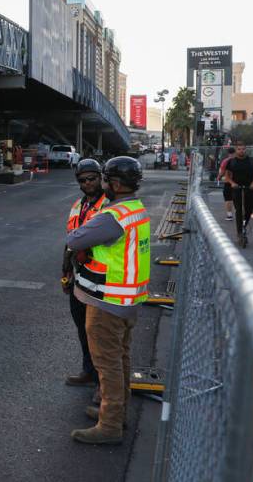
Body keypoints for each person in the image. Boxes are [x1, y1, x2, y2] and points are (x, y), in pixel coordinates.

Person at [67, 156, 150, 445]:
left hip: (107, 302)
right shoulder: (135, 210)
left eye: (102, 179)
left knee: (108, 364)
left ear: (114, 183)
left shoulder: (112, 216)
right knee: (121, 358)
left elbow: (75, 240)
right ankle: (117, 411)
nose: (98, 184)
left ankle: (110, 425)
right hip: (128, 300)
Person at [62, 159, 107, 388]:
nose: (88, 183)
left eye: (92, 178)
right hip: (79, 278)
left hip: (100, 281)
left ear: (100, 177)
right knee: (82, 329)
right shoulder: (77, 206)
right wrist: (65, 272)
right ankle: (88, 371)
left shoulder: (108, 205)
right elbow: (70, 240)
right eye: (83, 180)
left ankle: (103, 384)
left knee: (98, 333)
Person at [224, 141, 253, 246]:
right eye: (239, 149)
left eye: (243, 149)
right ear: (236, 150)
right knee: (239, 210)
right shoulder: (231, 162)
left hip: (249, 188)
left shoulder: (252, 161)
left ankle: (244, 226)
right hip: (237, 189)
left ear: (245, 149)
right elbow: (227, 176)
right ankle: (239, 232)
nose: (241, 151)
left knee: (248, 210)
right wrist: (232, 183)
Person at [218, 147, 235, 221]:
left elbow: (222, 171)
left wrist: (219, 177)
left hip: (228, 182)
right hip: (238, 182)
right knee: (238, 199)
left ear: (228, 153)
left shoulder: (226, 161)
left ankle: (229, 215)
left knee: (228, 199)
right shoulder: (238, 160)